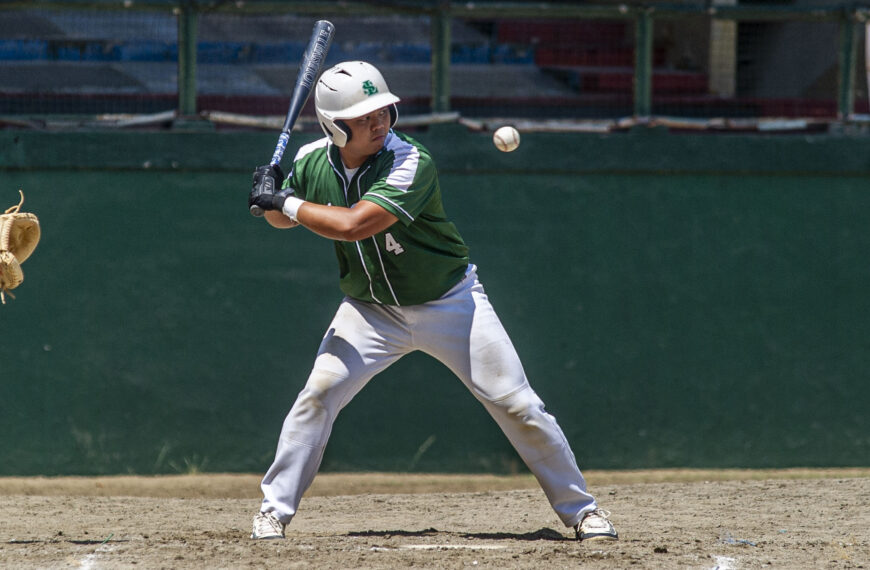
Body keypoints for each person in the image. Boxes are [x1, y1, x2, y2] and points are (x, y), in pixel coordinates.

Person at [247, 61, 618, 543]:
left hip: (450, 302)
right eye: (364, 117)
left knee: (519, 405)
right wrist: (271, 196)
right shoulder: (313, 159)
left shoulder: (410, 160)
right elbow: (284, 219)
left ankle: (582, 511)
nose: (379, 122)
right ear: (335, 127)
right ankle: (273, 512)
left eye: (384, 110)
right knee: (317, 396)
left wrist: (284, 203)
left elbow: (353, 224)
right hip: (370, 311)